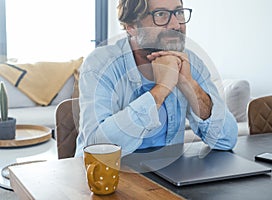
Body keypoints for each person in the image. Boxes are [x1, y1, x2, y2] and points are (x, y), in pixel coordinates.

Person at [75, 0, 238, 157]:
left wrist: (188, 84)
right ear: (131, 26)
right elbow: (97, 147)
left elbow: (227, 139)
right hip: (105, 177)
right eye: (160, 14)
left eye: (179, 12)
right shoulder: (100, 64)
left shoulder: (190, 61)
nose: (175, 25)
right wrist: (162, 89)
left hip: (169, 176)